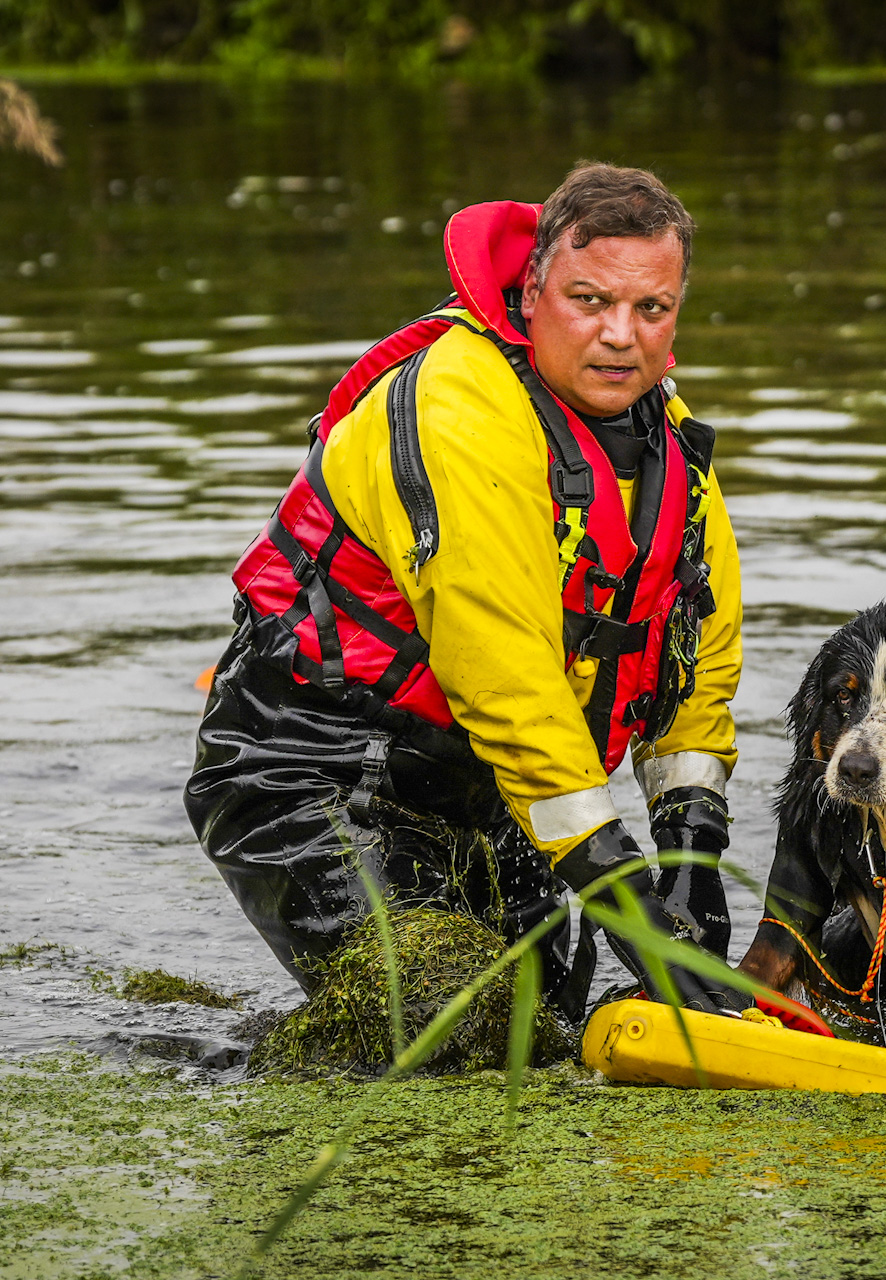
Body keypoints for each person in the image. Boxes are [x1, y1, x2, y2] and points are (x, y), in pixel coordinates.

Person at [186, 163, 748, 1018]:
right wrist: (621, 893)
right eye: (590, 301)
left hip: (488, 791)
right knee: (446, 1022)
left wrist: (691, 855)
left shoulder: (670, 443)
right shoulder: (458, 410)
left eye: (651, 309)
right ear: (531, 291)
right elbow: (505, 674)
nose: (620, 337)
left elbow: (692, 657)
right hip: (312, 767)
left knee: (549, 1024)